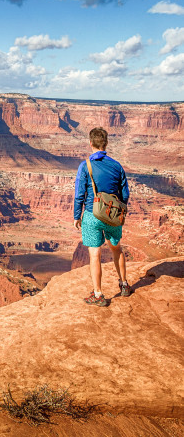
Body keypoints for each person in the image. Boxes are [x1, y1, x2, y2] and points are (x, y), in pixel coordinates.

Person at [73, 127, 131, 307]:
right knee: (116, 249)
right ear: (105, 143)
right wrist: (116, 209)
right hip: (112, 215)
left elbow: (79, 195)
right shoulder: (116, 166)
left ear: (91, 143)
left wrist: (77, 216)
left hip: (92, 215)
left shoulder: (85, 165)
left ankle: (98, 295)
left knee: (95, 255)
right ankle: (124, 285)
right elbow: (125, 194)